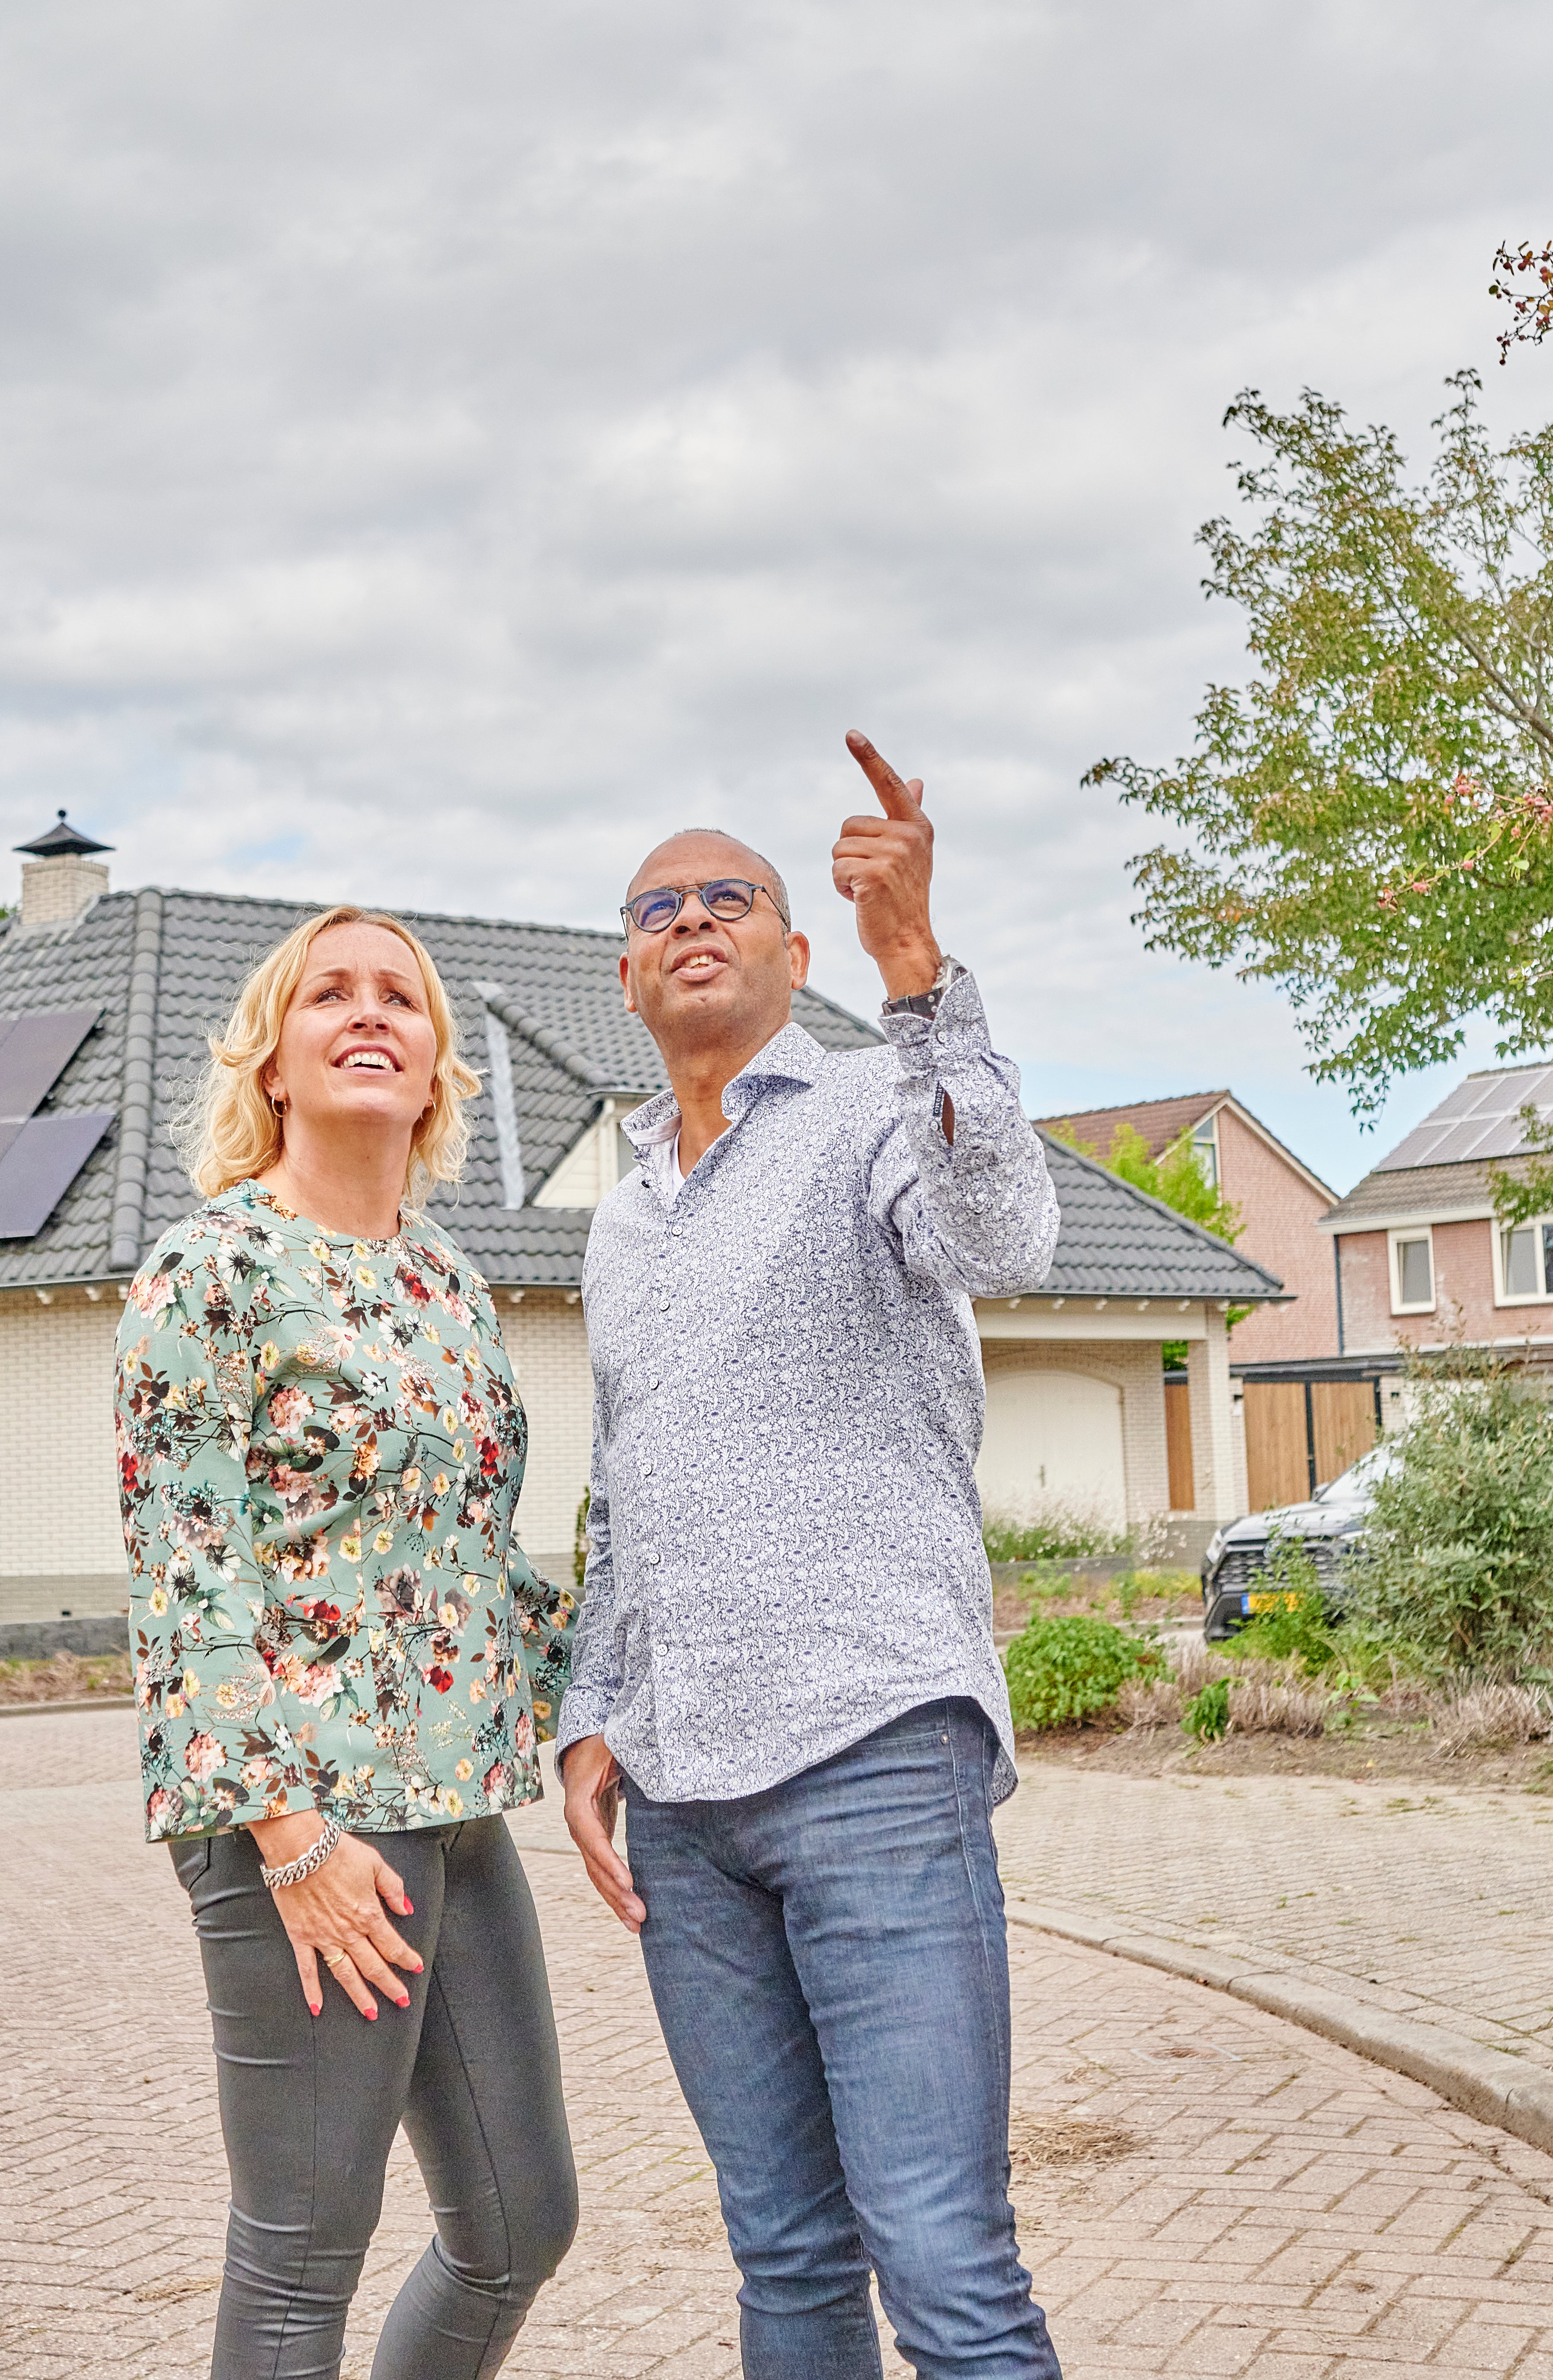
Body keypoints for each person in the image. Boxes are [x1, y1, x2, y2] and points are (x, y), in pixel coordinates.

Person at [554, 734, 1067, 2380]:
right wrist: (590, 1709)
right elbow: (624, 1487)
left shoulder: (871, 1112)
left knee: (944, 2263)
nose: (694, 919)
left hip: (872, 1758)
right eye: (660, 906)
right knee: (782, 2256)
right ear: (628, 973)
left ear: (789, 950)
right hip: (684, 1809)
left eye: (734, 896)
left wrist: (918, 973)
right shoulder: (619, 1212)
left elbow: (1008, 1235)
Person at [118, 905, 579, 2380]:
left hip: (455, 1813)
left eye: (400, 995)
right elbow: (187, 1581)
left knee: (521, 2222)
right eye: (330, 995)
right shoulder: (212, 1274)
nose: (368, 1013)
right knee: (303, 2255)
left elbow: (477, 1563)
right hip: (301, 1828)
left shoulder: (452, 1285)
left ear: (439, 1068)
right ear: (274, 1060)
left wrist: (598, 1705)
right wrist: (293, 1840)